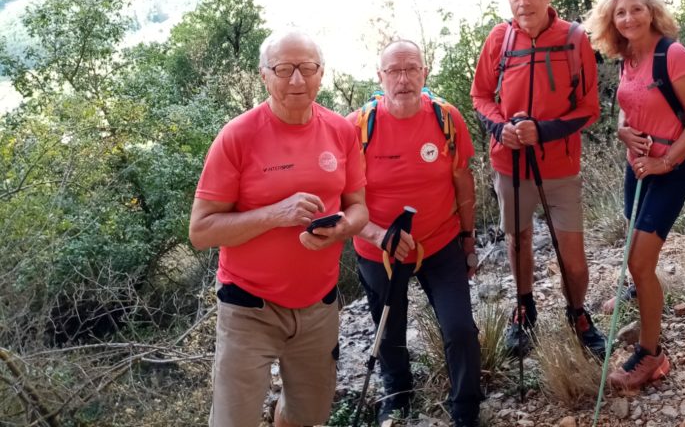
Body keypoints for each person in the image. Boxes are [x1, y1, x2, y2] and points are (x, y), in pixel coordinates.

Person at [189, 29, 369, 427]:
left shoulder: (341, 131)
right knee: (232, 421)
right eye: (284, 69)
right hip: (248, 307)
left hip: (319, 305)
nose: (297, 80)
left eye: (307, 68)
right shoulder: (237, 136)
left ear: (321, 73)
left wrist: (342, 228)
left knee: (308, 417)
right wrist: (276, 214)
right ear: (264, 75)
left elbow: (359, 208)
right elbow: (201, 231)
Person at [471, 0, 606, 359]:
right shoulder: (499, 39)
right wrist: (501, 128)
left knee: (572, 256)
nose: (523, 2)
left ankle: (577, 311)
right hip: (509, 164)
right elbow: (481, 96)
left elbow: (589, 108)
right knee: (519, 238)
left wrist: (542, 131)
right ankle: (524, 306)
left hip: (560, 167)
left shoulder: (574, 38)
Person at [349, 40, 482, 427]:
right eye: (394, 71)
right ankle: (397, 395)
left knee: (460, 327)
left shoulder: (445, 118)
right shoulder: (357, 127)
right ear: (380, 76)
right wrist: (378, 235)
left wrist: (468, 238)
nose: (403, 79)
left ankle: (466, 408)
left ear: (425, 73)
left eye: (411, 69)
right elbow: (339, 197)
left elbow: (463, 180)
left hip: (440, 243)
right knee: (389, 331)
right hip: (380, 252)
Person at [586, 0, 685, 389]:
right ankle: (641, 292)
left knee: (640, 262)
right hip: (636, 167)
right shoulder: (628, 56)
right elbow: (628, 106)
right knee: (635, 252)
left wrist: (665, 161)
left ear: (651, 11)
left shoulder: (672, 55)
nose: (628, 18)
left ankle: (652, 354)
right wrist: (623, 131)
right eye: (620, 13)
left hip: (669, 171)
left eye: (636, 9)